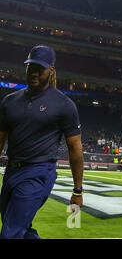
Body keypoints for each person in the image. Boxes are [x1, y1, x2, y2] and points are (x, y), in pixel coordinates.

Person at [0, 45, 83, 239]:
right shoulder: (9, 101)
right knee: (19, 227)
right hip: (12, 171)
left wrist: (77, 190)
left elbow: (74, 148)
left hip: (39, 172)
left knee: (9, 234)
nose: (34, 72)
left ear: (51, 70)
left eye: (40, 68)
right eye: (31, 67)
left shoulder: (64, 105)